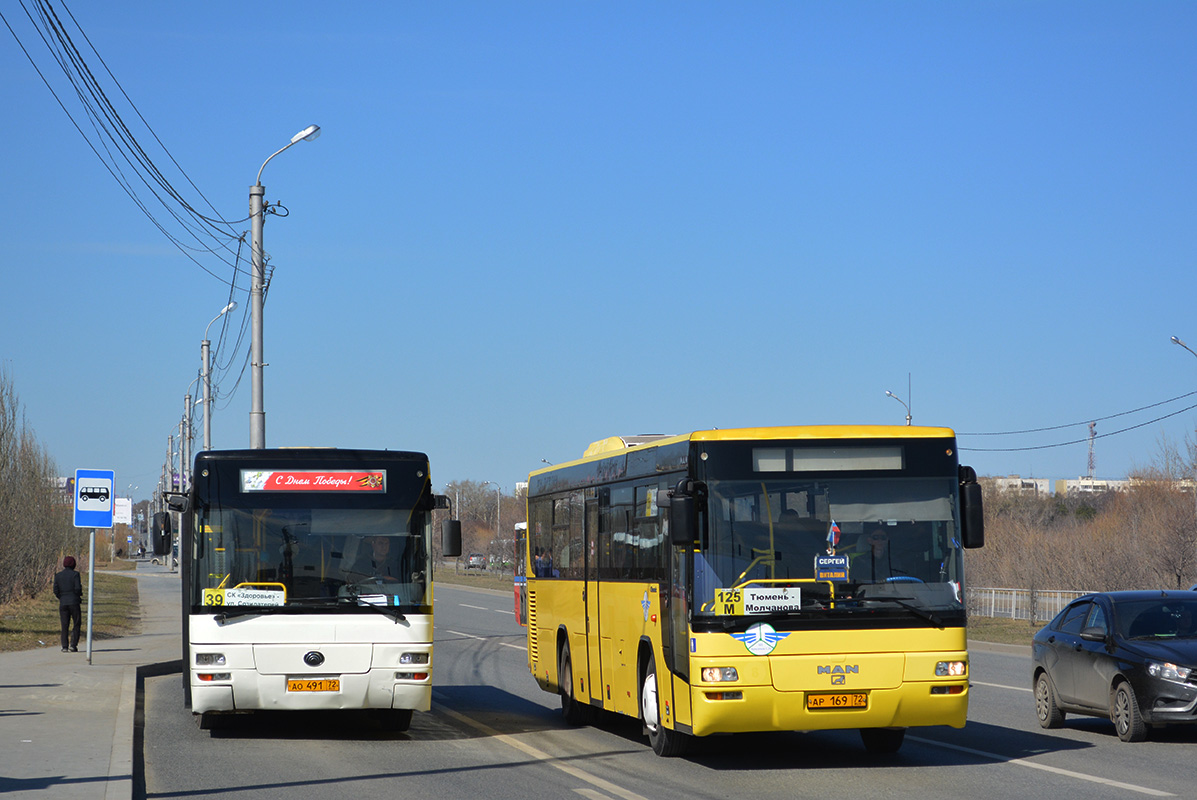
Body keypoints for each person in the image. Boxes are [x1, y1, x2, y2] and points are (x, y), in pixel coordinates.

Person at [53, 555, 83, 652]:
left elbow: (55, 590)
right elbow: (78, 588)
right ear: (74, 564)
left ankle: (64, 646)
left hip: (63, 603)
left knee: (64, 625)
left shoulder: (58, 576)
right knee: (76, 623)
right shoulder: (75, 575)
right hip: (74, 602)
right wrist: (77, 596)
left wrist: (61, 597)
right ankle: (73, 645)